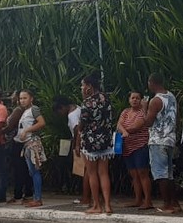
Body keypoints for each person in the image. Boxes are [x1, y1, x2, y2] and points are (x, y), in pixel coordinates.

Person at [133, 73, 180, 214]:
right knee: (169, 174)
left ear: (151, 83)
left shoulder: (155, 101)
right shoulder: (171, 97)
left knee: (160, 174)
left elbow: (148, 122)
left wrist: (144, 108)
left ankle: (167, 204)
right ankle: (175, 203)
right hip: (170, 138)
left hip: (158, 140)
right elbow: (176, 117)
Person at [79, 73, 114, 215]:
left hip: (91, 141)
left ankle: (97, 205)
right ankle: (108, 205)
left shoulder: (87, 103)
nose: (82, 88)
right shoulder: (106, 99)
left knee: (92, 173)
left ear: (89, 86)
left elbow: (82, 123)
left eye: (83, 85)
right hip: (105, 140)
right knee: (104, 173)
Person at [118, 91, 152, 210]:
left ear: (141, 100)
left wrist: (124, 130)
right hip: (127, 147)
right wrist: (123, 131)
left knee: (143, 173)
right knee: (134, 175)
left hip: (140, 146)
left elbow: (136, 126)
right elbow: (118, 125)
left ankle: (148, 201)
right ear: (129, 100)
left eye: (137, 98)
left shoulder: (143, 113)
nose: (135, 100)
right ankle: (138, 200)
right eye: (132, 98)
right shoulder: (125, 112)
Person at [53, 95, 86, 206]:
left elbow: (77, 129)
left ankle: (84, 194)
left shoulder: (71, 115)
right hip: (85, 141)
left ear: (62, 107)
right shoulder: (77, 108)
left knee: (80, 170)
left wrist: (76, 145)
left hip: (80, 142)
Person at [15, 89, 46, 208]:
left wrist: (27, 130)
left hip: (32, 143)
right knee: (32, 171)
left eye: (25, 98)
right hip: (26, 144)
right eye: (21, 98)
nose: (22, 100)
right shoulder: (25, 111)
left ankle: (38, 198)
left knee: (35, 171)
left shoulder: (34, 109)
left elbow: (41, 122)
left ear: (31, 98)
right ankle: (35, 197)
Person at [5, 91, 32, 204]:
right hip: (24, 140)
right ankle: (27, 193)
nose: (11, 98)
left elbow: (10, 126)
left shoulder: (18, 110)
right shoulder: (26, 110)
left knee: (19, 169)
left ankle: (18, 194)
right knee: (25, 168)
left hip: (18, 141)